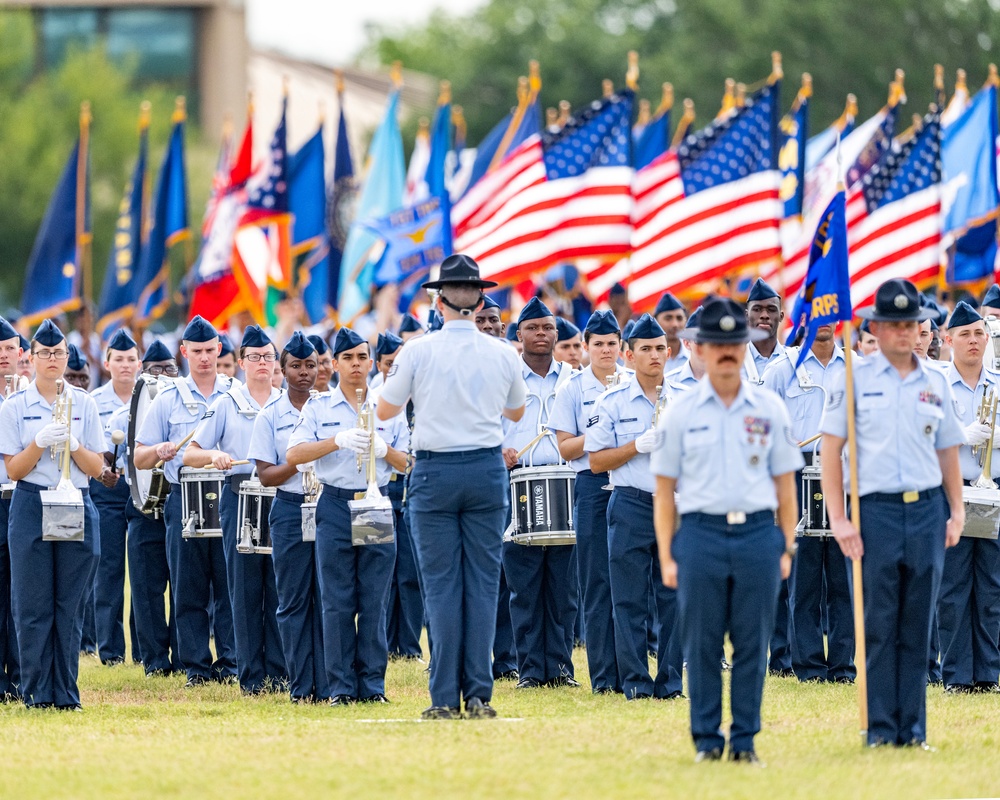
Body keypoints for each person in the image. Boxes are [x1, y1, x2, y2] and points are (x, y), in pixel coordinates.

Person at [376, 253, 526, 719]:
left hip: (435, 471)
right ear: (480, 299)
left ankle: (444, 698)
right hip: (484, 468)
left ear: (439, 301)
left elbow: (384, 411)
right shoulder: (502, 352)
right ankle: (479, 693)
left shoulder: (418, 351)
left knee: (441, 586)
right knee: (481, 584)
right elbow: (517, 412)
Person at [652, 298, 803, 764]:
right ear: (699, 348)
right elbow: (664, 490)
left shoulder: (770, 408)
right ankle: (705, 739)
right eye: (716, 344)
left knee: (753, 641)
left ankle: (744, 740)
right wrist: (667, 554)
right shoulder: (680, 411)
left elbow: (784, 482)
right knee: (700, 642)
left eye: (734, 344)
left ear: (745, 347)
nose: (725, 353)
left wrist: (786, 544)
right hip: (700, 534)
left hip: (759, 534)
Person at [820, 278, 965, 748]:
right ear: (877, 329)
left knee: (918, 622)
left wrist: (957, 509)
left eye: (911, 324)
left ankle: (914, 730)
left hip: (925, 510)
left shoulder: (936, 380)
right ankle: (881, 730)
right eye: (894, 325)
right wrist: (839, 519)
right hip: (874, 512)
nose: (904, 333)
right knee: (879, 622)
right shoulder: (854, 380)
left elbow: (947, 451)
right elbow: (831, 450)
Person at [287, 327, 409, 706]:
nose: (356, 365)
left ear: (371, 362)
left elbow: (409, 464)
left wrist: (384, 449)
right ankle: (340, 687)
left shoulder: (387, 407)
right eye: (348, 358)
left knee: (374, 598)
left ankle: (372, 686)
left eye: (361, 357)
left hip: (374, 502)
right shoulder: (319, 407)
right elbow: (294, 454)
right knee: (337, 600)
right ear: (335, 364)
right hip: (336, 505)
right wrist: (336, 440)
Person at [0, 319, 106, 709]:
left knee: (70, 604)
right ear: (31, 357)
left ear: (66, 356)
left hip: (74, 497)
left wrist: (75, 445)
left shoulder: (85, 402)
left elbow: (97, 467)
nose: (52, 360)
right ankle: (36, 692)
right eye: (44, 353)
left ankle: (66, 692)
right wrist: (39, 441)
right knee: (33, 604)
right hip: (31, 500)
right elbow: (13, 469)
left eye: (59, 353)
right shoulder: (15, 406)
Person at [134, 315, 237, 688]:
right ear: (184, 352)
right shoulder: (167, 398)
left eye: (211, 350)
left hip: (226, 495)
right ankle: (195, 665)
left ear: (220, 349)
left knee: (229, 583)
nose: (205, 358)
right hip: (184, 495)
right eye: (197, 351)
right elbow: (139, 457)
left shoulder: (234, 393)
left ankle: (230, 662)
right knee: (188, 584)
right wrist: (159, 450)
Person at [185, 325, 285, 695]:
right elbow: (192, 452)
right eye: (255, 357)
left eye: (269, 357)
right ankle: (252, 676)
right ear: (241, 362)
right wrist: (215, 455)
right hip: (239, 494)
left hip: (278, 496)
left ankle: (279, 671)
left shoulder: (285, 401)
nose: (263, 363)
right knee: (243, 589)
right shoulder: (226, 402)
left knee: (279, 587)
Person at [586, 313, 682, 700]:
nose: (654, 356)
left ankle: (671, 682)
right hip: (630, 504)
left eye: (660, 348)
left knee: (674, 598)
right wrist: (635, 447)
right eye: (645, 349)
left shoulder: (685, 400)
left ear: (670, 352)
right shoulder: (611, 401)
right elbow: (595, 462)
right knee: (628, 600)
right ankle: (637, 682)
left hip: (675, 504)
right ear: (628, 355)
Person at [762, 323, 853, 684]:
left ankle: (844, 665)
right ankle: (810, 665)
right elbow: (761, 422)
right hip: (799, 471)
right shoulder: (783, 369)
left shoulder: (854, 367)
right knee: (805, 577)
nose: (823, 324)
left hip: (844, 471)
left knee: (844, 576)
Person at [501, 298, 579, 690]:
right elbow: (485, 427)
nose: (542, 334)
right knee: (525, 584)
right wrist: (500, 449)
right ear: (519, 335)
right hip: (519, 485)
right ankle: (531, 670)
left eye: (548, 327)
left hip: (567, 482)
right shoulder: (505, 376)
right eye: (533, 328)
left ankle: (562, 667)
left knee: (564, 586)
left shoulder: (573, 378)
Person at [249, 332, 328, 703]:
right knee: (294, 599)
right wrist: (298, 461)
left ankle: (328, 682)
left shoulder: (330, 409)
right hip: (289, 508)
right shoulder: (269, 416)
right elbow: (265, 475)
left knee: (330, 597)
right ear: (282, 371)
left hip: (328, 507)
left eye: (310, 365)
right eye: (295, 366)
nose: (304, 373)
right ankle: (300, 685)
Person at [548, 309, 624, 694]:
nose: (606, 350)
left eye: (612, 343)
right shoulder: (573, 389)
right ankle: (605, 677)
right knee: (596, 583)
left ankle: (632, 670)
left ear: (621, 346)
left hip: (630, 484)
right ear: (586, 348)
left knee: (632, 584)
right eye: (598, 344)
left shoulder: (633, 382)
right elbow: (564, 447)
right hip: (592, 484)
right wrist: (601, 437)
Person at [938, 302, 1000, 693]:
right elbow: (925, 437)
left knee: (992, 585)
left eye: (979, 333)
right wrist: (962, 433)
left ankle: (989, 673)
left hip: (994, 489)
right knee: (953, 586)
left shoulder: (998, 383)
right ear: (948, 340)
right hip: (952, 490)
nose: (974, 341)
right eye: (965, 334)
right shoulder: (936, 386)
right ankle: (958, 674)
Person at [114, 341, 180, 677]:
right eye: (155, 369)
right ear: (143, 373)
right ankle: (155, 659)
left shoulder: (185, 405)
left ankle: (184, 655)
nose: (163, 375)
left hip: (179, 505)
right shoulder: (126, 411)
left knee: (184, 586)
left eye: (169, 368)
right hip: (141, 507)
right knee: (146, 587)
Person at [90, 330, 141, 666]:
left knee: (142, 571)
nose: (125, 365)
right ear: (106, 363)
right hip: (106, 490)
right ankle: (109, 651)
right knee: (108, 569)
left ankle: (144, 648)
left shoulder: (149, 396)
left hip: (140, 490)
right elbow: (93, 449)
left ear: (139, 364)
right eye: (118, 359)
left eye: (131, 359)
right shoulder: (94, 401)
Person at [373, 332, 423, 661]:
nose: (394, 370)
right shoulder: (374, 399)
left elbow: (408, 460)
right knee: (381, 571)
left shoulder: (419, 394)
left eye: (399, 365)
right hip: (378, 490)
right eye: (389, 364)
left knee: (409, 571)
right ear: (379, 364)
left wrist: (388, 452)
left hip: (411, 489)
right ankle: (382, 643)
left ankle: (409, 646)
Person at [0, 317, 22, 700]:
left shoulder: (30, 397)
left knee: (24, 594)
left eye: (9, 349)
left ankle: (22, 676)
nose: (4, 357)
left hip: (23, 501)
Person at [742, 278, 785, 384]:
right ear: (747, 316)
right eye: (757, 309)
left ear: (781, 316)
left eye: (771, 310)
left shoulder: (794, 362)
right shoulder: (735, 364)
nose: (764, 315)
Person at [665, 308, 704, 391]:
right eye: (699, 341)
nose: (706, 346)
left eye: (711, 341)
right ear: (686, 343)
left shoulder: (733, 381)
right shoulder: (667, 383)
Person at [653, 292, 688, 374]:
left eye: (679, 318)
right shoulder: (648, 357)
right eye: (668, 318)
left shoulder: (694, 355)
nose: (675, 324)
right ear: (656, 321)